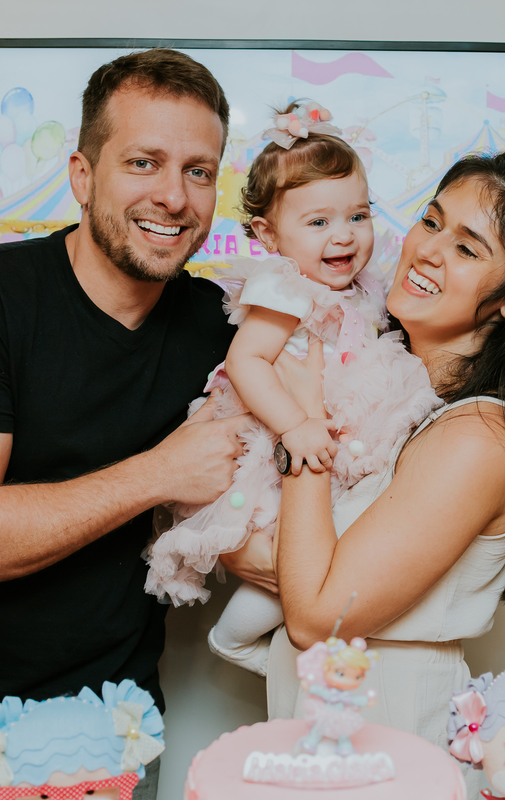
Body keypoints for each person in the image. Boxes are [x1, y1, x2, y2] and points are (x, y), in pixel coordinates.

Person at [0, 48, 249, 800]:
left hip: (117, 727)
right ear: (82, 176)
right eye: (144, 162)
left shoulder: (219, 328)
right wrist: (158, 472)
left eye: (199, 171)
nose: (175, 197)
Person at [221, 152, 505, 752]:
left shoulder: (483, 435)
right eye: (430, 220)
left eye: (468, 249)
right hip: (312, 747)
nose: (427, 249)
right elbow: (274, 553)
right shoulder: (389, 395)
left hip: (391, 749)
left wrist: (304, 427)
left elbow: (317, 616)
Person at [142, 102, 438, 677]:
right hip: (278, 448)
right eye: (319, 223)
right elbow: (246, 360)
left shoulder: (366, 288)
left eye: (358, 216)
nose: (345, 236)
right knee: (292, 566)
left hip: (334, 441)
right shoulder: (285, 288)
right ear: (268, 234)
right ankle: (239, 644)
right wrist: (293, 425)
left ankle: (290, 657)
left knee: (328, 564)